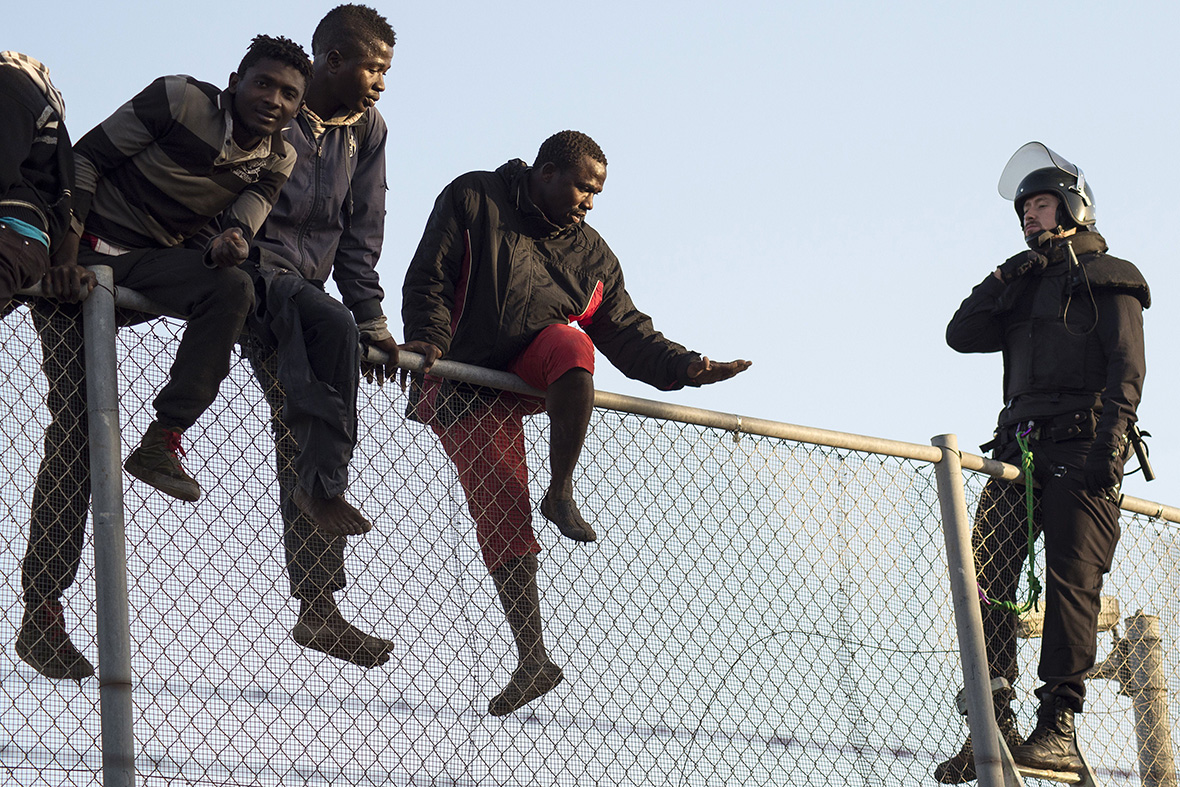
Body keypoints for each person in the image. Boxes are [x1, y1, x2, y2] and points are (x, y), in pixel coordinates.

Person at [401, 130, 751, 715]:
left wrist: (688, 367)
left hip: (527, 368)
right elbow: (430, 275)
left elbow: (626, 331)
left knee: (573, 345)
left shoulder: (591, 254)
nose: (590, 200)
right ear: (544, 172)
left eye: (598, 192)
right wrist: (429, 340)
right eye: (583, 186)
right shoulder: (475, 198)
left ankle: (561, 489)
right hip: (463, 379)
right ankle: (533, 656)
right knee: (503, 504)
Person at [16, 36, 310, 681]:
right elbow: (83, 163)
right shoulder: (180, 100)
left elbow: (240, 225)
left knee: (233, 286)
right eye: (264, 84)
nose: (274, 100)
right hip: (84, 261)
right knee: (81, 429)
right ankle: (41, 614)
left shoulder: (278, 156)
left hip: (149, 271)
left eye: (289, 94)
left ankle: (165, 435)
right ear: (236, 80)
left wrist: (230, 240)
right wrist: (66, 259)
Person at [938, 142, 1148, 781]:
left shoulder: (1111, 276)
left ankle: (1058, 726)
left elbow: (1126, 366)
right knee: (985, 576)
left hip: (1083, 445)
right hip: (1019, 448)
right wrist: (1005, 275)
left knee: (1070, 584)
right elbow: (960, 333)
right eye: (1024, 206)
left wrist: (1112, 444)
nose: (1029, 214)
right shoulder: (1021, 286)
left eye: (1041, 202)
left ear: (1073, 207)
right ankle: (992, 718)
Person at [242, 4, 399, 668]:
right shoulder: (277, 101)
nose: (383, 83)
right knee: (308, 400)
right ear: (335, 60)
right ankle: (318, 598)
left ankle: (318, 606)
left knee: (309, 417)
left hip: (309, 293)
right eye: (377, 67)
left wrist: (372, 320)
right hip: (252, 273)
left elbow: (360, 237)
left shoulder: (368, 129)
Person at [1, 51, 99, 681]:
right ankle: (42, 608)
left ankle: (42, 606)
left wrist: (67, 246)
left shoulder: (14, 82)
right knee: (87, 421)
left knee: (89, 421)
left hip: (46, 250)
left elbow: (67, 179)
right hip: (61, 257)